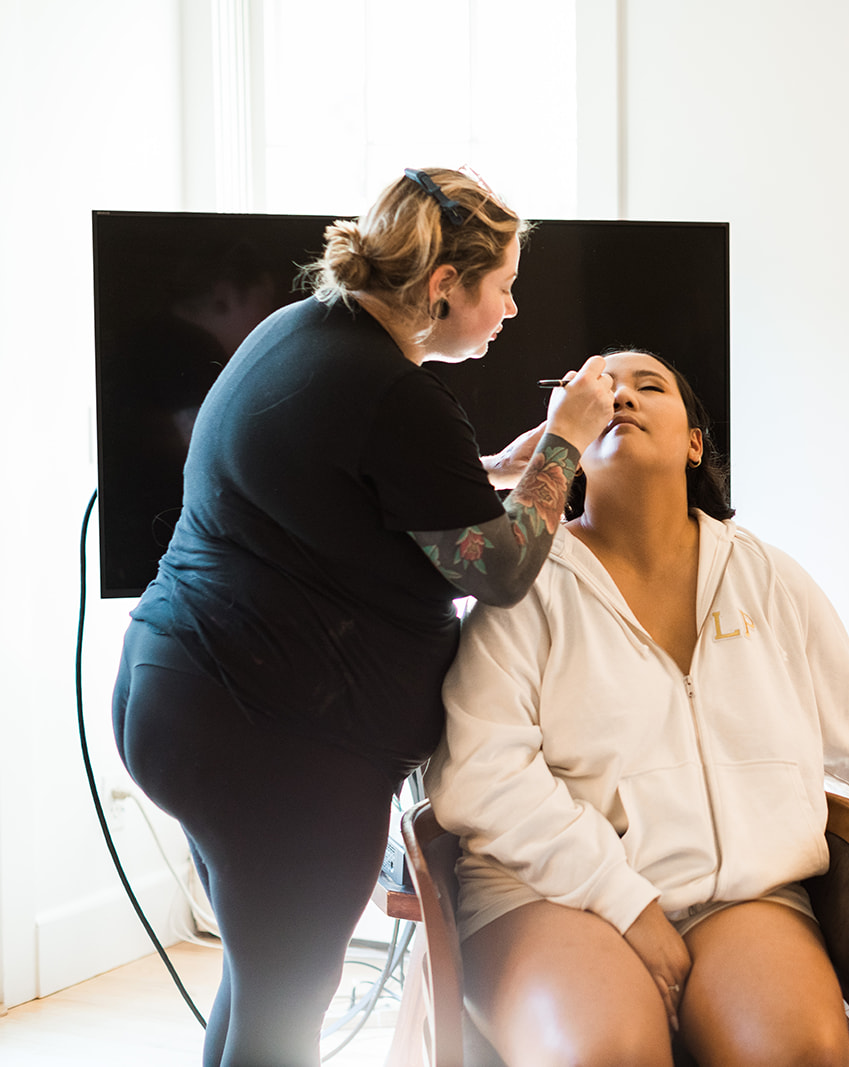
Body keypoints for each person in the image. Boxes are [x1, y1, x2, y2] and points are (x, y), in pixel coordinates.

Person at [111, 167, 616, 1067]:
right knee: (285, 1004)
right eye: (500, 285)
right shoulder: (392, 394)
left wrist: (496, 471)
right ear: (442, 287)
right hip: (269, 743)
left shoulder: (306, 332)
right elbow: (497, 570)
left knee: (264, 982)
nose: (510, 308)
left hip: (184, 695)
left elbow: (357, 487)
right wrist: (569, 440)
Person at [423, 350, 849, 1067]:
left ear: (694, 443)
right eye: (597, 390)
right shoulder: (528, 583)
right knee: (605, 1052)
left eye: (648, 385)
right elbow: (481, 774)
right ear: (571, 441)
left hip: (739, 896)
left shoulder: (767, 575)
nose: (620, 395)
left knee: (802, 1048)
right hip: (551, 891)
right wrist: (623, 899)